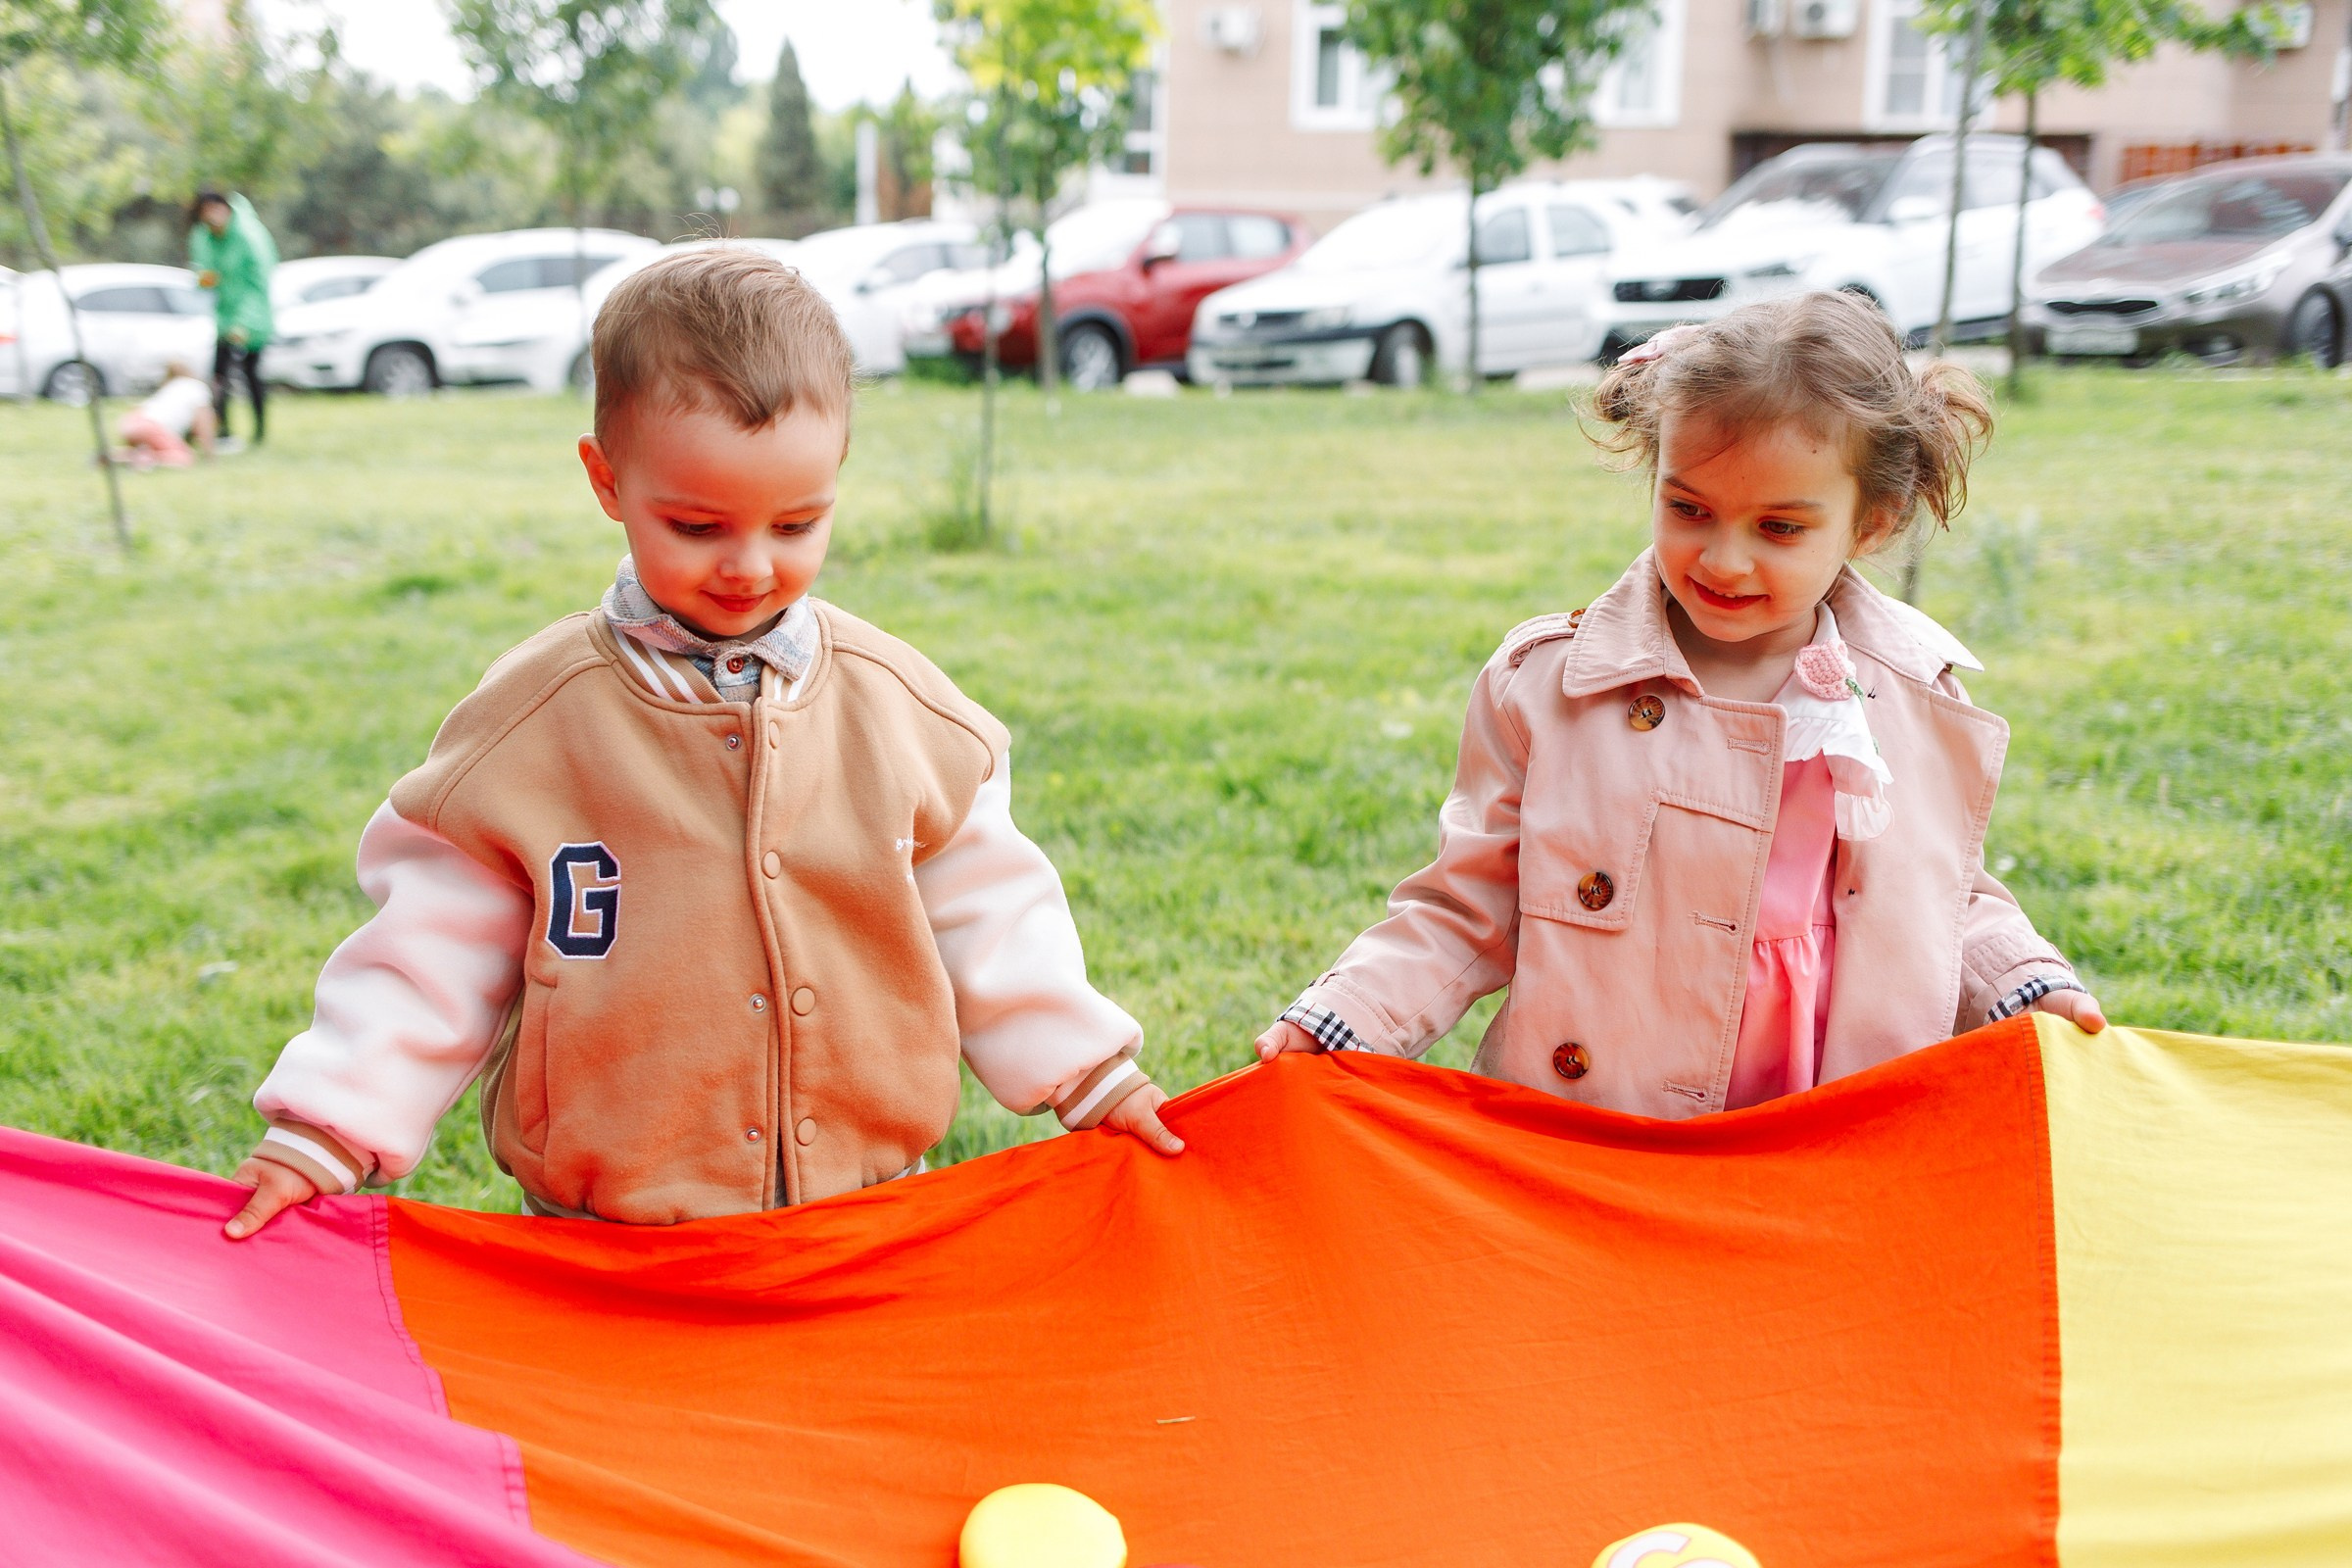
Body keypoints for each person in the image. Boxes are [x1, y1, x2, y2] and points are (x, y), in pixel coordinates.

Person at [225, 248, 1179, 1238]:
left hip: (865, 1213)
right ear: (607, 480)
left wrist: (1088, 1068)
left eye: (798, 522)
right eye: (695, 524)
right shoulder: (530, 726)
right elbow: (430, 944)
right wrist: (331, 1122)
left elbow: (995, 912)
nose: (750, 565)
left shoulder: (902, 710)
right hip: (608, 1229)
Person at [1256, 291, 2104, 1113]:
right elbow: (1464, 909)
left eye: (1779, 528)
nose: (1723, 560)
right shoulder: (1552, 688)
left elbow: (1947, 894)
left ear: (1871, 522)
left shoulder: (1909, 690)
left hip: (1825, 1104)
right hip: (1609, 1113)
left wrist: (2026, 985)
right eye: (1689, 508)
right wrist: (1349, 1018)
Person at [188, 189, 275, 446]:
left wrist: (244, 323)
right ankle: (223, 429)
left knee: (251, 373)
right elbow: (203, 272)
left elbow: (260, 282)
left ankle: (260, 431)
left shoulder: (248, 235)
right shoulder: (204, 236)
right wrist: (203, 278)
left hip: (254, 317)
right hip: (225, 317)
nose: (212, 216)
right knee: (219, 376)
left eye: (216, 209)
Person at [110, 360, 217, 468]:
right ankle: (142, 458)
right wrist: (210, 455)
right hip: (152, 425)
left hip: (131, 422)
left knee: (155, 449)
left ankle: (116, 456)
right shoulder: (198, 388)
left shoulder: (171, 386)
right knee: (183, 457)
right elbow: (204, 425)